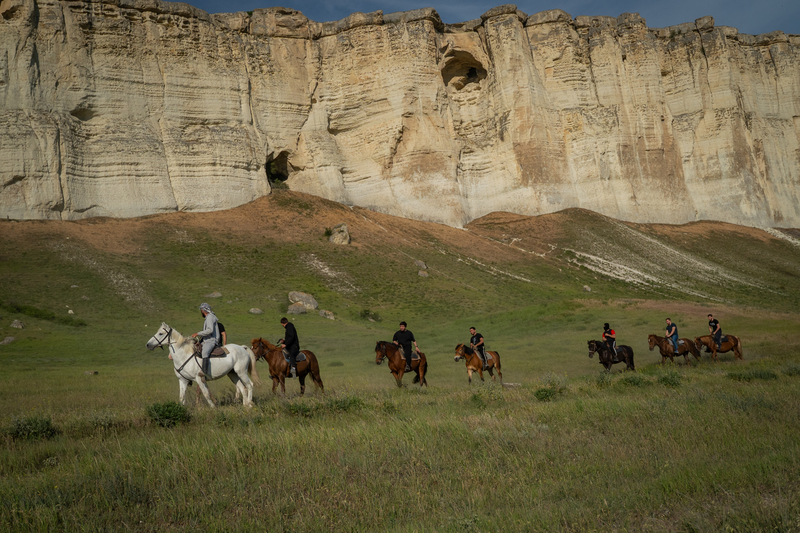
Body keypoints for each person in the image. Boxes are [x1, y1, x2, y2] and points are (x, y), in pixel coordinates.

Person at [191, 302, 221, 377]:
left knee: (204, 352)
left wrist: (198, 333)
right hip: (206, 340)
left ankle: (204, 372)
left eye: (201, 310)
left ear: (202, 310)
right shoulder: (208, 317)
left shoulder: (210, 317)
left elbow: (210, 330)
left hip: (211, 340)